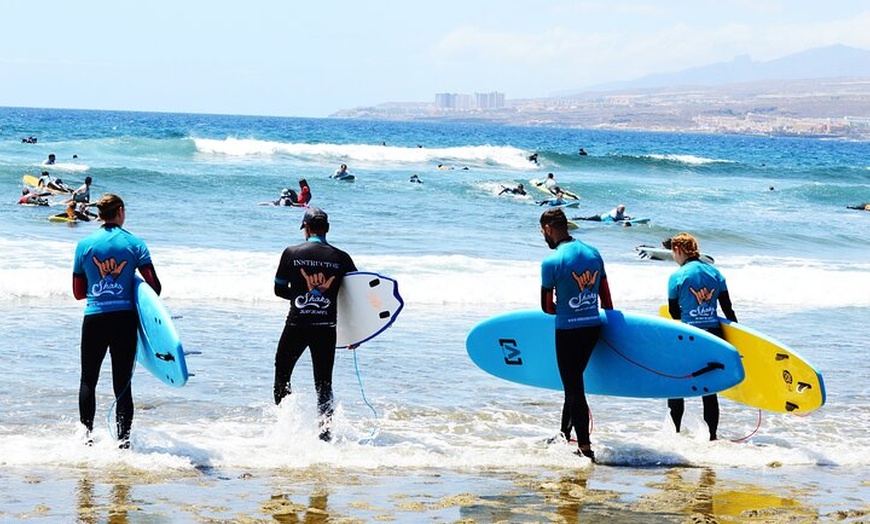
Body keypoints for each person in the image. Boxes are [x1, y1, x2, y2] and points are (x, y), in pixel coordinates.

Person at [72, 194, 162, 448]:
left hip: (95, 318)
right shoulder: (135, 244)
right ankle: (123, 445)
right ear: (120, 211)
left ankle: (85, 441)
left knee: (88, 379)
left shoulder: (84, 245)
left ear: (100, 214)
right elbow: (154, 287)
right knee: (122, 383)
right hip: (124, 321)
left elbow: (79, 293)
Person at [273, 207, 357, 442]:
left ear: (306, 228)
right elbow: (355, 297)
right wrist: (355, 334)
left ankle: (285, 428)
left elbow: (279, 289)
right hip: (326, 328)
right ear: (327, 229)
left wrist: (303, 296)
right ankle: (325, 435)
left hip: (297, 326)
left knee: (283, 375)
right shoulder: (342, 258)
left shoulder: (291, 253)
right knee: (323, 383)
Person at [539, 208, 613, 461]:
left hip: (568, 330)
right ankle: (563, 434)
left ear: (549, 228)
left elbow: (547, 307)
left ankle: (584, 446)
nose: (544, 238)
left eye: (543, 232)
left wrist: (567, 306)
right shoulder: (594, 253)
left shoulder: (552, 262)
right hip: (594, 327)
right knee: (573, 384)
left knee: (573, 388)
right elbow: (606, 297)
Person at [665, 232, 737, 441]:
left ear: (678, 250)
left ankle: (675, 435)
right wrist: (735, 342)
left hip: (688, 335)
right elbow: (728, 310)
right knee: (709, 388)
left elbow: (673, 312)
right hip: (713, 335)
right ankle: (712, 437)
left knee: (677, 383)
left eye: (673, 253)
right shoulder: (715, 273)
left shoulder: (677, 276)